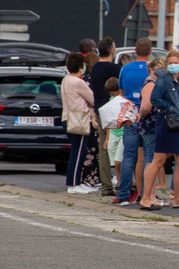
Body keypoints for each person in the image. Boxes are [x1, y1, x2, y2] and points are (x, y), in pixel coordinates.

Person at [142, 51, 179, 210]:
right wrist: (169, 109)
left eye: (176, 62)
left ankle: (177, 198)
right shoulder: (164, 80)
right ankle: (145, 198)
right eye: (170, 63)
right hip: (167, 122)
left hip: (177, 123)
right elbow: (155, 98)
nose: (174, 65)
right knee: (158, 161)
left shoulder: (176, 82)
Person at [115, 39, 154, 206]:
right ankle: (145, 194)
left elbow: (121, 94)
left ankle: (123, 194)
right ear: (150, 51)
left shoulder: (125, 69)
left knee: (128, 156)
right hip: (148, 116)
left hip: (130, 115)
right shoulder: (152, 71)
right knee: (147, 157)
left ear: (135, 51)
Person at [60, 52, 97, 194]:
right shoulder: (78, 82)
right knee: (79, 153)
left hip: (67, 118)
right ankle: (74, 184)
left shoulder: (66, 79)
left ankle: (76, 182)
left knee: (76, 151)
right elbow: (92, 99)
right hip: (79, 119)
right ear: (81, 67)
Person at [89, 37, 120, 197]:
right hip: (115, 110)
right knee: (122, 145)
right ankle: (123, 183)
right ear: (112, 50)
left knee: (104, 148)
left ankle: (106, 186)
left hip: (101, 111)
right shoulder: (115, 68)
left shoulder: (94, 69)